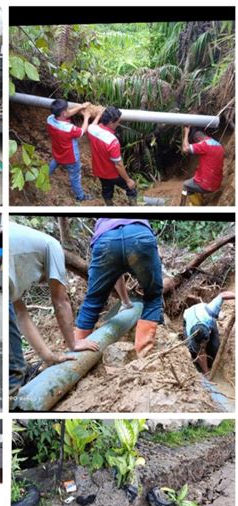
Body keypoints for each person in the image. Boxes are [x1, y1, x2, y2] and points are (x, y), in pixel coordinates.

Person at [9, 222, 99, 406]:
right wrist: (73, 343)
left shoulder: (24, 257)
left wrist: (49, 357)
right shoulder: (53, 246)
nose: (40, 282)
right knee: (15, 368)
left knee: (13, 360)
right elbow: (61, 301)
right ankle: (16, 403)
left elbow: (22, 315)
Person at [75, 219, 163, 357]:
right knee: (153, 297)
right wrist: (126, 302)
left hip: (106, 240)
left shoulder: (102, 220)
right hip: (139, 237)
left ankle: (75, 354)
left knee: (93, 301)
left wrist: (126, 302)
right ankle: (143, 354)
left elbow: (115, 272)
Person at [87, 106, 137, 205]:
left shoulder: (91, 129)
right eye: (117, 121)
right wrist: (128, 180)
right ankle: (134, 209)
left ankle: (110, 207)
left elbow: (92, 125)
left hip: (99, 171)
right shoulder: (112, 141)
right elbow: (118, 164)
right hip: (112, 174)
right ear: (111, 123)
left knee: (107, 191)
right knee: (131, 188)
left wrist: (98, 115)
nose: (119, 123)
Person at [47, 99, 93, 202]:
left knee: (55, 161)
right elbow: (82, 131)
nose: (68, 111)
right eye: (67, 110)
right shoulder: (70, 129)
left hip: (57, 152)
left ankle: (45, 176)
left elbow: (66, 115)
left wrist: (81, 107)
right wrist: (86, 118)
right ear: (63, 112)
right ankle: (80, 196)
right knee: (75, 177)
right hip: (71, 158)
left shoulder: (50, 119)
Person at [183, 291, 235, 374]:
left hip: (203, 313)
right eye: (202, 343)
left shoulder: (211, 311)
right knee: (193, 351)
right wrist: (206, 372)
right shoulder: (191, 336)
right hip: (188, 317)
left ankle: (214, 361)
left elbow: (223, 294)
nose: (203, 344)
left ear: (208, 331)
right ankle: (204, 367)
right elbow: (200, 354)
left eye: (205, 341)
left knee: (215, 347)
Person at [182, 127, 224, 199]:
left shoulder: (204, 145)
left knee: (185, 185)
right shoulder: (218, 145)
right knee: (194, 180)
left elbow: (185, 148)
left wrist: (186, 133)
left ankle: (195, 205)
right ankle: (200, 199)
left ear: (198, 139)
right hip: (216, 184)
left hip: (206, 185)